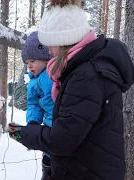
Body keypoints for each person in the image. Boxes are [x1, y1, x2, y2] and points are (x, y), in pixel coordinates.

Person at [8, 0, 134, 179]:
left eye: (52, 44)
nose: (50, 51)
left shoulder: (86, 77)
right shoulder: (87, 69)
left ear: (64, 41)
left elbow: (61, 139)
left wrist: (23, 133)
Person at [11, 31, 54, 180]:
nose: (29, 65)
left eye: (33, 60)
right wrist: (33, 121)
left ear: (46, 58)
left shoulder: (53, 75)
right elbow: (34, 104)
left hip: (60, 124)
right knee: (48, 157)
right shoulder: (33, 82)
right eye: (27, 62)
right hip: (49, 126)